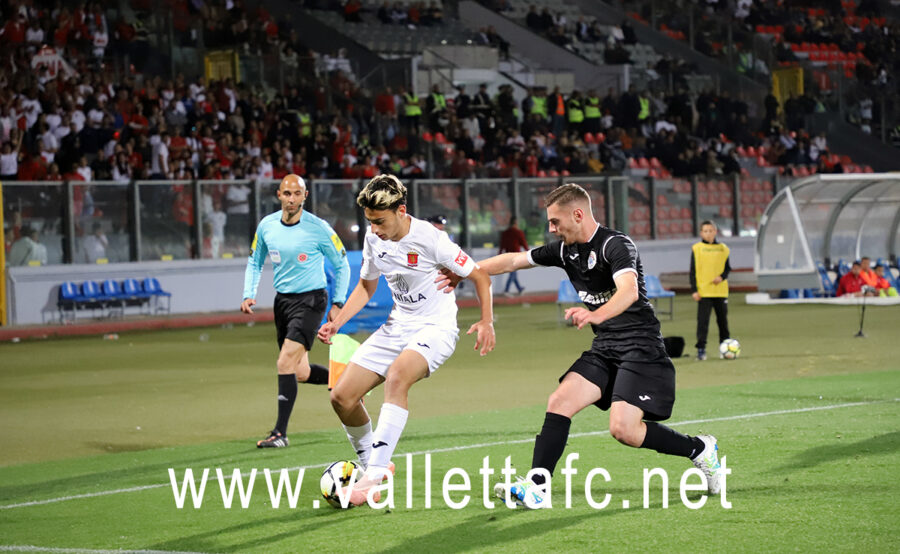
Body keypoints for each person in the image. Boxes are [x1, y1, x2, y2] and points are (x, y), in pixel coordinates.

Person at [437, 183, 723, 509]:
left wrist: (594, 314)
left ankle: (699, 449)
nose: (551, 228)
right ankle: (537, 487)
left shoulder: (616, 245)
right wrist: (468, 272)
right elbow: (515, 261)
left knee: (623, 429)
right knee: (560, 400)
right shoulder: (564, 251)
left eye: (556, 222)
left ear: (578, 214)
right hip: (606, 347)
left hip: (640, 349)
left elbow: (628, 292)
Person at [317, 174, 495, 506]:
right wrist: (338, 321)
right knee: (341, 396)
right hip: (397, 326)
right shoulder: (374, 239)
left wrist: (487, 321)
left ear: (401, 210)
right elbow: (367, 287)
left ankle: (372, 479)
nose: (374, 229)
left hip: (436, 329)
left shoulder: (431, 238)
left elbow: (479, 275)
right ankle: (373, 461)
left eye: (379, 221)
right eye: (369, 222)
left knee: (397, 377)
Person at [241, 174, 351, 448]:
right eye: (287, 194)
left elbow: (342, 264)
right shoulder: (267, 226)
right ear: (279, 195)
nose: (292, 199)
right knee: (299, 372)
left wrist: (338, 302)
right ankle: (351, 381)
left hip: (312, 300)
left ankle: (280, 433)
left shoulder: (318, 228)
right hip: (284, 303)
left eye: (297, 194)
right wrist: (248, 293)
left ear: (305, 196)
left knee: (284, 362)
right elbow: (254, 262)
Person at [690, 221, 732, 361]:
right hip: (704, 292)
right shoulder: (697, 248)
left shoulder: (723, 249)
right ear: (701, 233)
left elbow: (727, 268)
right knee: (703, 323)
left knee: (722, 322)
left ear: (715, 232)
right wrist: (694, 290)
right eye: (705, 231)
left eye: (711, 230)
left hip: (720, 292)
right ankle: (701, 350)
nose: (708, 233)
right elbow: (692, 271)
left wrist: (722, 277)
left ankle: (725, 349)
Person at [498, 216, 528, 295]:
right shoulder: (519, 232)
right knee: (513, 273)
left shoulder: (505, 233)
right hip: (516, 255)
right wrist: (528, 252)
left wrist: (499, 254)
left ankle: (519, 288)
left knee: (513, 272)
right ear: (516, 223)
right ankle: (507, 290)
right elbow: (524, 243)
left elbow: (502, 245)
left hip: (507, 255)